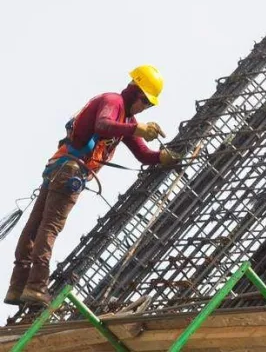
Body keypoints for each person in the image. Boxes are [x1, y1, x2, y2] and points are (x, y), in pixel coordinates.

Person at [5, 65, 177, 306]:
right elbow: (103, 125)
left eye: (149, 105)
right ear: (135, 91)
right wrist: (137, 128)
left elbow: (141, 153)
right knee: (48, 229)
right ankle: (34, 288)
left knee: (35, 229)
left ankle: (18, 287)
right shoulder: (113, 102)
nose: (145, 108)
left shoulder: (126, 119)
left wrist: (160, 157)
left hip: (60, 168)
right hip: (69, 170)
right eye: (145, 102)